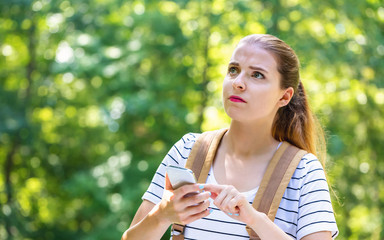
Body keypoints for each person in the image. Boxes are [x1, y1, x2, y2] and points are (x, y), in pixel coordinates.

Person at [121, 34, 339, 240]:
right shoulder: (187, 150)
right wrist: (162, 216)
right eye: (234, 70)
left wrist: (254, 219)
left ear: (284, 96)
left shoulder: (304, 171)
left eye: (257, 75)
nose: (238, 82)